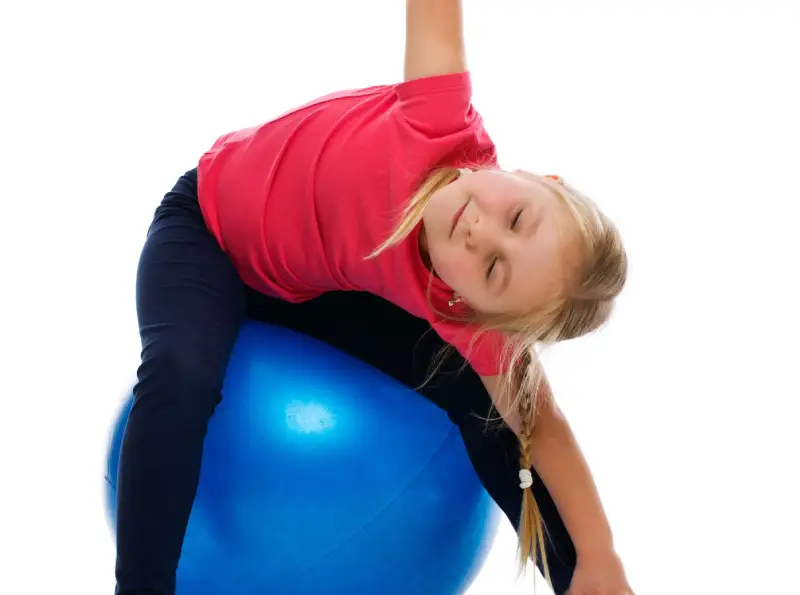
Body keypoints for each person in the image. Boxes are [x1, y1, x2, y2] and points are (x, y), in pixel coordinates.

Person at [115, 1, 633, 594]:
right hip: (205, 234)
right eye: (516, 217)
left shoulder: (464, 316)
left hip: (304, 293)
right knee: (180, 375)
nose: (480, 232)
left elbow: (542, 426)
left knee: (489, 407)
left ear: (478, 307)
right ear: (542, 180)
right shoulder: (436, 117)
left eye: (493, 270)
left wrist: (600, 560)